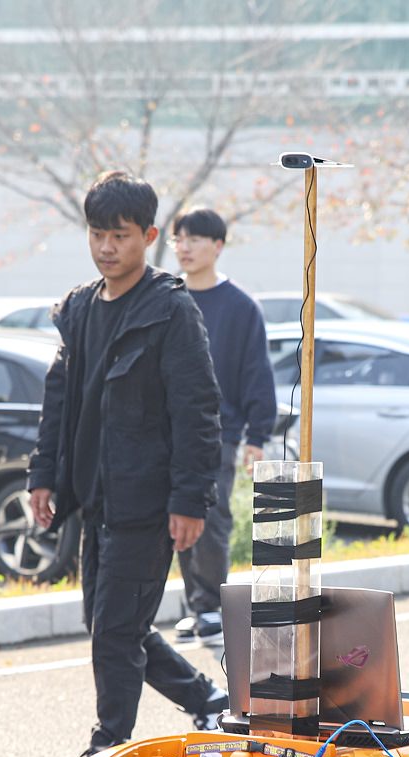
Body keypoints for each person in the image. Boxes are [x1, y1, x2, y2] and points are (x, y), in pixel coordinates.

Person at [28, 171, 226, 757]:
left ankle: (106, 752)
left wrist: (190, 500)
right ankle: (207, 699)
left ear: (149, 236)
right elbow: (58, 403)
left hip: (148, 501)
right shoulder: (80, 310)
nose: (107, 247)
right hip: (96, 498)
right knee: (114, 625)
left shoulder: (169, 310)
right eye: (97, 234)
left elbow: (197, 411)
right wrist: (43, 476)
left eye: (120, 235)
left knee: (115, 630)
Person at [166, 206, 277, 649]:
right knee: (174, 514)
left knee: (211, 516)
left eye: (194, 239)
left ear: (217, 246)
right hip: (167, 430)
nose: (184, 247)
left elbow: (257, 372)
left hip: (220, 432)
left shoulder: (240, 306)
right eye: (179, 239)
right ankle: (195, 606)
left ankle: (210, 604)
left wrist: (257, 435)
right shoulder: (167, 298)